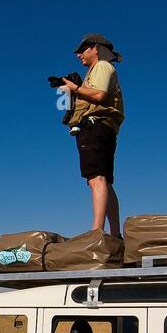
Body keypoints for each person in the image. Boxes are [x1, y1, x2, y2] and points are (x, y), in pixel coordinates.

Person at [60, 33, 125, 236]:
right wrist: (70, 91)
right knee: (104, 180)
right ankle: (115, 235)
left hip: (96, 126)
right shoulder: (94, 71)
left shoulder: (102, 66)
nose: (78, 55)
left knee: (95, 179)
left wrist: (76, 88)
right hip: (101, 127)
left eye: (82, 50)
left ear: (95, 48)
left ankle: (96, 232)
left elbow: (99, 95)